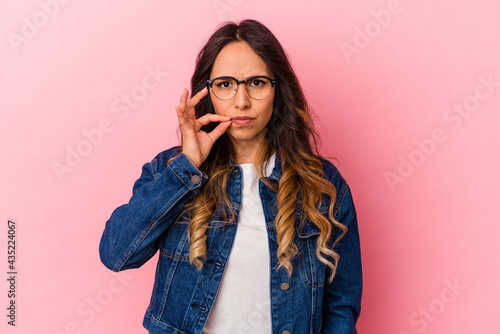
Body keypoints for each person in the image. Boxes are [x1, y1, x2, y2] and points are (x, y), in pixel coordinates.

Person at [99, 19, 362, 334]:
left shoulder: (322, 184)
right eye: (225, 84)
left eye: (257, 82)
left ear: (278, 89)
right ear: (207, 92)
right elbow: (117, 253)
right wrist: (188, 166)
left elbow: (339, 305)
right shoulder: (171, 170)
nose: (242, 101)